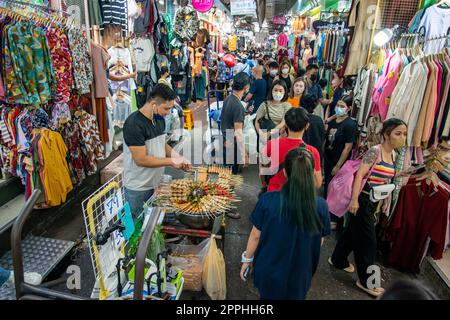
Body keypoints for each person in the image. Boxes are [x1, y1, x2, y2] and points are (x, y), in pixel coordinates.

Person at [328, 118, 408, 298]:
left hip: (373, 203)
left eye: (404, 134)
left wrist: (402, 174)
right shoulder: (375, 151)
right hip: (362, 199)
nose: (402, 137)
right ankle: (367, 281)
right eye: (398, 133)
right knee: (368, 243)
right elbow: (360, 176)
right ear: (386, 134)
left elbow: (384, 175)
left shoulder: (394, 154)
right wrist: (354, 200)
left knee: (352, 233)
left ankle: (337, 259)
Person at [240, 147, 331, 300]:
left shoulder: (268, 200)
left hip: (269, 270)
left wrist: (247, 260)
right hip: (301, 273)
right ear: (310, 174)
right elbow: (319, 240)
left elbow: (256, 236)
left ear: (285, 173)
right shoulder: (321, 206)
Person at [123, 84, 191, 218]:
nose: (168, 113)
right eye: (166, 108)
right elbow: (141, 159)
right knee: (137, 232)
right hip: (138, 188)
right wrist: (171, 161)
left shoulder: (159, 120)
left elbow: (162, 144)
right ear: (154, 104)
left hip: (156, 185)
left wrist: (178, 157)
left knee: (153, 226)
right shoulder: (133, 124)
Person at [262, 107, 323, 192]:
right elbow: (318, 183)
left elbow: (264, 168)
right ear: (307, 126)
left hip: (274, 193)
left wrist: (264, 184)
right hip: (298, 197)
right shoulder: (312, 151)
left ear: (286, 124)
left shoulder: (272, 144)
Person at [220, 72, 251, 210]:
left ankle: (225, 204)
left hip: (227, 144)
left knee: (227, 176)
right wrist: (244, 154)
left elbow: (224, 122)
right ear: (246, 87)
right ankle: (226, 208)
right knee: (230, 178)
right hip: (232, 147)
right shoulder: (238, 105)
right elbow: (238, 132)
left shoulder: (228, 99)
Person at [323, 95, 357, 199]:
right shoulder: (333, 121)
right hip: (328, 158)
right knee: (326, 185)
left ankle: (331, 212)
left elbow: (348, 147)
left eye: (342, 106)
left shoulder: (350, 124)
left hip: (338, 161)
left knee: (333, 188)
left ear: (349, 108)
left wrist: (338, 166)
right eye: (337, 105)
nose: (338, 108)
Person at [255, 80, 292, 145]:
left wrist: (269, 134)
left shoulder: (287, 105)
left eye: (280, 91)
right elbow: (257, 121)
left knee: (274, 154)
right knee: (264, 153)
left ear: (285, 92)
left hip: (279, 134)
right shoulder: (265, 104)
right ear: (271, 91)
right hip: (264, 132)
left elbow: (283, 123)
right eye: (275, 90)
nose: (278, 92)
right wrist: (261, 134)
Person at [301, 93, 326, 159]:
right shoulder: (319, 120)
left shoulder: (299, 118)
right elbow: (323, 138)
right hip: (316, 154)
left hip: (301, 154)